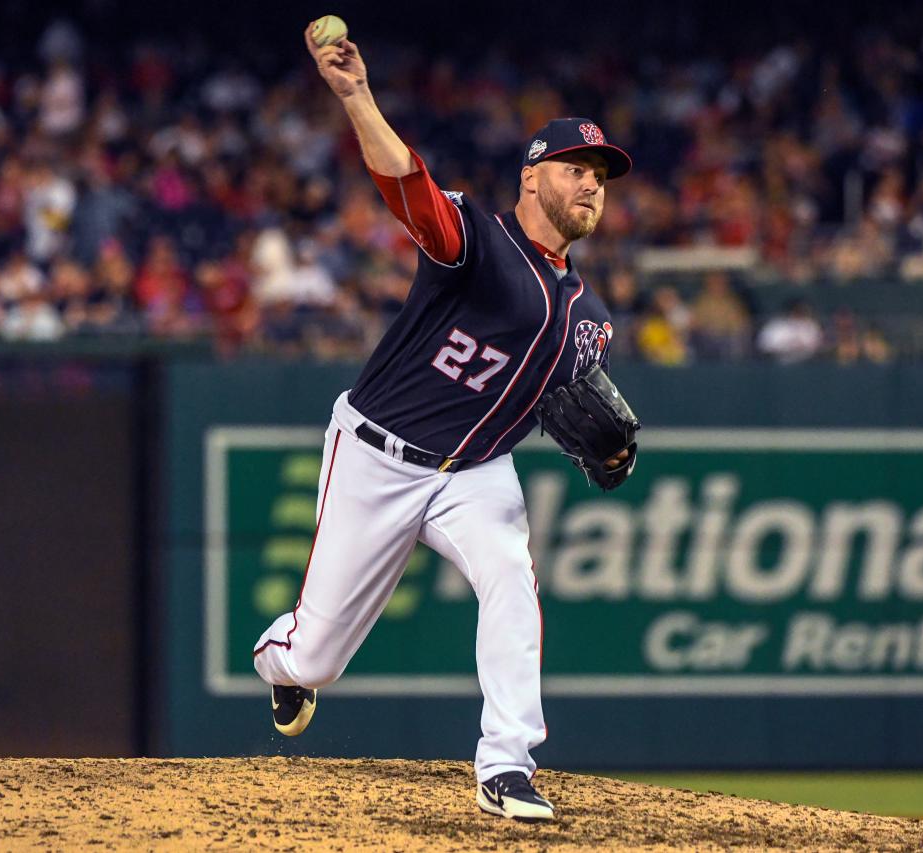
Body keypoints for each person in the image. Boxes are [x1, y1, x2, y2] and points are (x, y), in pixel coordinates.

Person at [251, 22, 635, 823]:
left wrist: (612, 454)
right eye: (577, 169)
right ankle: (280, 661)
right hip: (378, 453)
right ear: (532, 178)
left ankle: (507, 763)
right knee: (317, 656)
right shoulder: (480, 242)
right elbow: (408, 188)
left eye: (602, 174)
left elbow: (572, 410)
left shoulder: (590, 316)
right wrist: (357, 96)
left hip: (477, 472)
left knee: (510, 577)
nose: (593, 184)